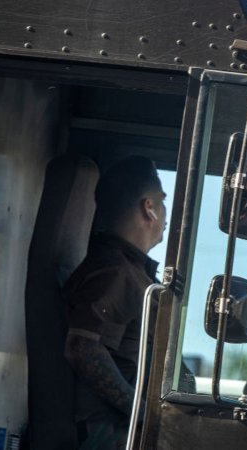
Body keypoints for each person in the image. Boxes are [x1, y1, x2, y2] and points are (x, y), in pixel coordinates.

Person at [63, 156, 184, 449]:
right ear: (149, 208)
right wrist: (144, 416)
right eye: (163, 201)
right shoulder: (115, 271)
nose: (166, 214)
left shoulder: (133, 272)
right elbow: (82, 348)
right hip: (112, 435)